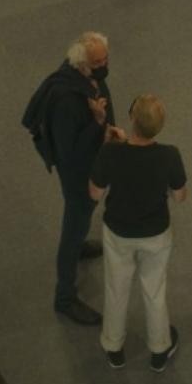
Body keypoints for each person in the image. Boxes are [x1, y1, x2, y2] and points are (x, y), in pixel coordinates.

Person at [89, 93, 186, 369]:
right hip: (156, 234)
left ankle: (114, 347)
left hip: (118, 233)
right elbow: (180, 196)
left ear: (131, 118)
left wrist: (110, 149)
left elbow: (95, 193)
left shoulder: (110, 152)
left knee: (116, 288)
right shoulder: (169, 155)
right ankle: (159, 349)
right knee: (154, 290)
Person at [31, 31, 120, 323]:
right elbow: (70, 154)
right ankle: (65, 297)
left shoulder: (87, 78)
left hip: (96, 161)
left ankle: (80, 244)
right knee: (75, 223)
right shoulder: (67, 102)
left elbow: (105, 102)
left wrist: (109, 128)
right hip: (79, 175)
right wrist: (97, 125)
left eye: (106, 57)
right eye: (99, 60)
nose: (105, 64)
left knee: (83, 216)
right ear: (83, 64)